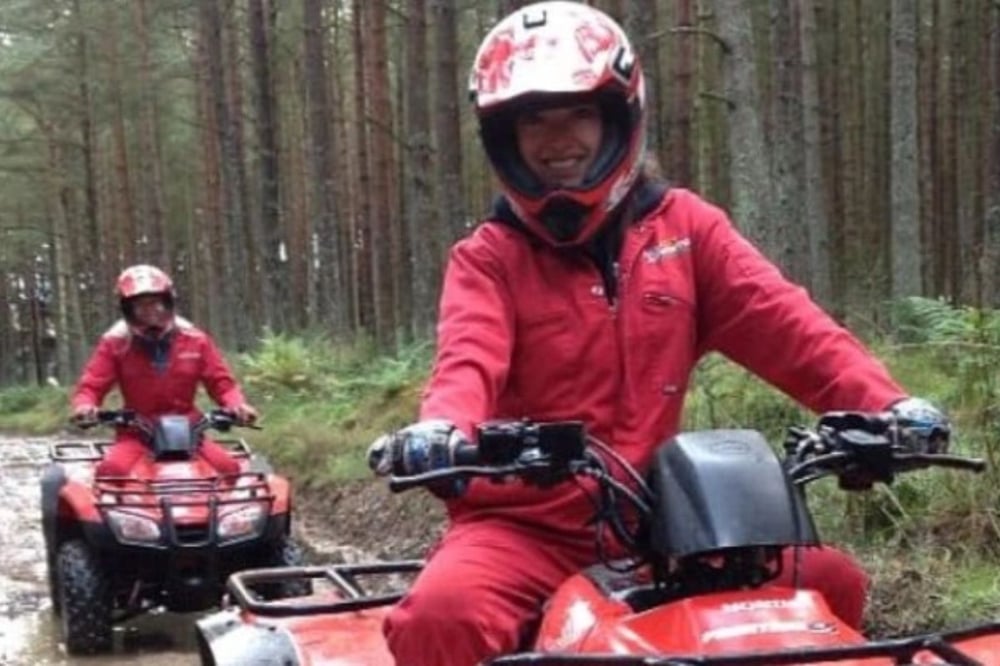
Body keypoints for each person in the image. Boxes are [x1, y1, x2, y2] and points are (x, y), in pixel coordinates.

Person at [368, 2, 949, 664]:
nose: (557, 139)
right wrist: (443, 432)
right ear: (504, 137)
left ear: (618, 118)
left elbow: (791, 327)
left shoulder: (687, 231)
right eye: (534, 120)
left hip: (665, 526)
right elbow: (467, 360)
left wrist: (890, 407)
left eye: (578, 113)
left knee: (829, 582)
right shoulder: (489, 259)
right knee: (441, 616)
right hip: (522, 530)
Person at [71, 264, 258, 477]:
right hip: (137, 432)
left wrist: (237, 405)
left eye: (155, 302)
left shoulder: (195, 340)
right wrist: (85, 406)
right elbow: (92, 385)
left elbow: (222, 383)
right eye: (140, 305)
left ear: (168, 301)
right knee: (111, 472)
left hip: (189, 432)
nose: (150, 310)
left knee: (229, 470)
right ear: (128, 309)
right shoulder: (115, 343)